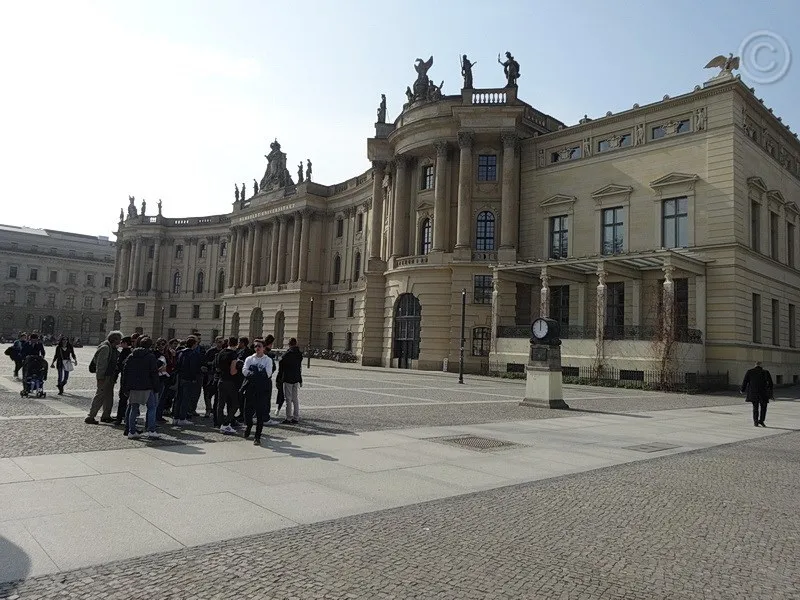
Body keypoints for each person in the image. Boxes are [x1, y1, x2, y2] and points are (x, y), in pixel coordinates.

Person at [120, 336, 160, 440]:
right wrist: (156, 387)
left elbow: (125, 372)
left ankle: (131, 431)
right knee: (152, 408)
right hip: (147, 386)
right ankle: (151, 430)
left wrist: (125, 387)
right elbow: (154, 373)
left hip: (133, 386)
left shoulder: (131, 355)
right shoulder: (150, 356)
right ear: (150, 346)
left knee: (134, 408)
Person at [86, 330, 123, 425]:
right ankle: (90, 416)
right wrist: (100, 378)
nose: (120, 342)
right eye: (119, 340)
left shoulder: (113, 348)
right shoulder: (106, 348)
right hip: (104, 376)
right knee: (100, 396)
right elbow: (101, 365)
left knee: (108, 396)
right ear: (114, 340)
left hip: (110, 376)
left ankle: (106, 415)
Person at [242, 339, 274, 445]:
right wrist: (254, 373)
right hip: (250, 388)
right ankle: (249, 425)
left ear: (264, 348)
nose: (257, 348)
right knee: (247, 411)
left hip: (261, 389)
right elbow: (244, 370)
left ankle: (257, 436)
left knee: (260, 414)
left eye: (259, 346)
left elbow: (268, 373)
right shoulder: (250, 358)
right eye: (255, 346)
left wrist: (254, 372)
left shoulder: (267, 360)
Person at [174, 335, 203, 426]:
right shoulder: (193, 354)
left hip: (180, 377)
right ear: (194, 344)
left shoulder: (180, 352)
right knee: (185, 399)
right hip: (188, 378)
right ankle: (182, 418)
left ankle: (176, 417)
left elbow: (177, 365)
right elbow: (193, 368)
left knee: (179, 398)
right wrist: (194, 378)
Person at [214, 336, 241, 434]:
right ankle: (226, 423)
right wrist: (239, 368)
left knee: (220, 404)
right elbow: (233, 371)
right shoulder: (233, 354)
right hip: (230, 381)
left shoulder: (221, 352)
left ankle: (219, 423)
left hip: (221, 380)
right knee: (235, 404)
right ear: (236, 344)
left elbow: (217, 366)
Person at [278, 337, 303, 424]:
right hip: (296, 378)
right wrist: (300, 379)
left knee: (288, 399)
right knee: (295, 399)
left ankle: (288, 417)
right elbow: (299, 368)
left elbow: (281, 366)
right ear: (296, 343)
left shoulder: (287, 355)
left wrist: (279, 378)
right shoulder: (299, 354)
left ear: (289, 344)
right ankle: (296, 417)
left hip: (288, 378)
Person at [741, 361, 773, 427]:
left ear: (755, 365)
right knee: (763, 408)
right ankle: (761, 421)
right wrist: (770, 390)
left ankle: (755, 422)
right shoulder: (765, 372)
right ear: (761, 366)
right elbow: (771, 383)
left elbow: (745, 381)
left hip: (753, 393)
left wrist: (742, 390)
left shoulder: (749, 371)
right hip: (763, 393)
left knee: (755, 408)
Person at [113, 336, 134, 426]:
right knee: (131, 399)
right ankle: (127, 417)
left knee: (123, 398)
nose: (120, 344)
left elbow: (120, 366)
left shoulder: (125, 352)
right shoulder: (133, 352)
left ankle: (120, 417)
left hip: (125, 378)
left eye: (122, 342)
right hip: (132, 378)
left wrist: (115, 377)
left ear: (125, 343)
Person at [203, 337, 224, 420]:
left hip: (220, 375)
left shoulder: (224, 351)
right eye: (219, 342)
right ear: (216, 342)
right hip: (210, 374)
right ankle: (208, 409)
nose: (220, 344)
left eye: (222, 342)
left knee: (218, 394)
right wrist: (212, 363)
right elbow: (205, 361)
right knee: (207, 393)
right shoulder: (210, 351)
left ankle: (216, 410)